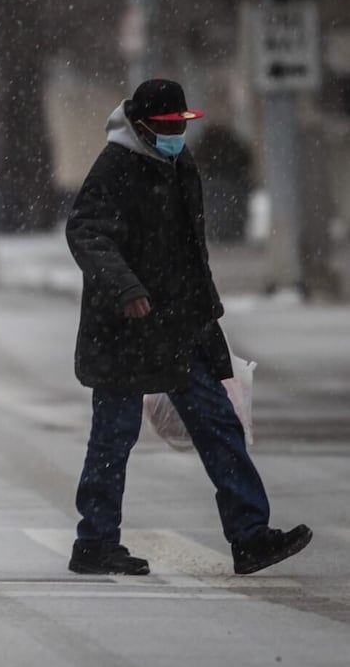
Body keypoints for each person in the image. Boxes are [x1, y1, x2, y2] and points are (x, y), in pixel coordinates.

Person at [65, 78, 312, 575]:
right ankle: (94, 541)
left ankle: (250, 536)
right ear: (139, 127)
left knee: (219, 425)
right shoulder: (116, 166)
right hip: (126, 329)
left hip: (180, 323)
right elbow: (86, 231)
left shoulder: (180, 164)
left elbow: (187, 250)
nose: (176, 132)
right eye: (166, 126)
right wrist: (128, 289)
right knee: (114, 437)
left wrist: (206, 312)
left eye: (181, 124)